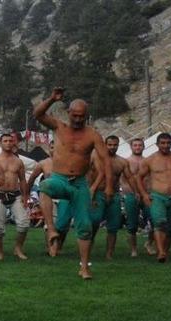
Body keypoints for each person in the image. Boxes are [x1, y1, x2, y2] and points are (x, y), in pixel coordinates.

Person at [34, 88, 112, 279]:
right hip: (59, 178)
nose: (78, 119)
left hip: (79, 183)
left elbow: (105, 159)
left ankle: (84, 267)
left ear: (87, 116)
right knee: (44, 187)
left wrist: (109, 185)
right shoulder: (59, 127)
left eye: (82, 116)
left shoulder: (92, 134)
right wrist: (52, 98)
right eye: (75, 115)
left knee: (85, 225)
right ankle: (51, 230)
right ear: (69, 113)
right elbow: (38, 114)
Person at [134, 133, 171, 262]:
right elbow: (139, 177)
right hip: (158, 196)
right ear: (157, 144)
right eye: (163, 143)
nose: (166, 146)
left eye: (168, 143)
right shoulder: (150, 159)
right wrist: (144, 194)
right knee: (159, 223)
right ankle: (160, 252)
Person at [88, 135, 137, 260]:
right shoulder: (94, 156)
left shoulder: (122, 161)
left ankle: (109, 254)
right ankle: (89, 244)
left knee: (114, 226)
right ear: (105, 145)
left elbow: (130, 177)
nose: (112, 147)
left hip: (114, 195)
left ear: (118, 145)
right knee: (94, 220)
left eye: (115, 145)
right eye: (110, 145)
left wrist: (137, 192)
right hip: (97, 193)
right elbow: (86, 172)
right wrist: (89, 190)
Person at [0, 133, 30, 260]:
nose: (8, 143)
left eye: (10, 141)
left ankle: (18, 248)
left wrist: (25, 196)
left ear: (14, 143)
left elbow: (23, 180)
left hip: (15, 194)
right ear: (0, 143)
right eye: (5, 141)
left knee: (24, 223)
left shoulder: (18, 161)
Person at [123, 138, 152, 256]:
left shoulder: (148, 161)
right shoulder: (126, 161)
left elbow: (150, 179)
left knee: (154, 220)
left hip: (146, 194)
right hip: (131, 194)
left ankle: (149, 243)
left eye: (140, 145)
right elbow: (123, 180)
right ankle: (133, 249)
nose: (137, 147)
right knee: (132, 224)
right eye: (135, 145)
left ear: (143, 147)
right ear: (131, 147)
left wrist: (148, 192)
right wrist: (131, 192)